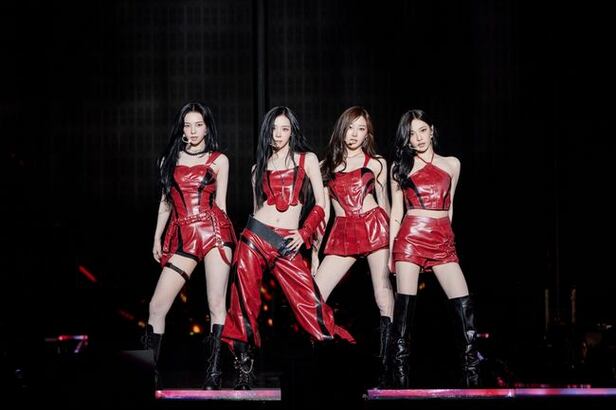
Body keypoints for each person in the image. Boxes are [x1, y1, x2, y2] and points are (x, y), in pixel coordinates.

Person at [221, 106, 355, 390]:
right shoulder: (258, 168)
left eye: (284, 128)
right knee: (243, 303)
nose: (278, 134)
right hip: (255, 236)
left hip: (288, 241)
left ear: (292, 131)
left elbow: (321, 205)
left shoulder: (307, 159)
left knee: (309, 302)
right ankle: (244, 370)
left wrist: (304, 233)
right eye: (273, 129)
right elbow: (256, 207)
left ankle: (337, 367)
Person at [143, 102, 236, 390]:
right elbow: (165, 203)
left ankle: (214, 373)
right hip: (184, 234)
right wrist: (157, 236)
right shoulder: (168, 160)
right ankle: (149, 375)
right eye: (187, 125)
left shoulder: (219, 160)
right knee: (157, 305)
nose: (193, 130)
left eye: (198, 124)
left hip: (214, 231)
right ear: (181, 129)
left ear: (207, 127)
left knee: (216, 303)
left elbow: (221, 205)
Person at [389, 109, 481, 388]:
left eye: (422, 131)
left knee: (463, 304)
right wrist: (392, 253)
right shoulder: (399, 167)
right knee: (404, 310)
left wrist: (447, 239)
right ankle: (399, 376)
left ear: (431, 130)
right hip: (410, 237)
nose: (418, 138)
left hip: (442, 240)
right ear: (406, 139)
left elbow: (449, 205)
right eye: (411, 134)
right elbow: (396, 213)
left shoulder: (452, 164)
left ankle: (472, 373)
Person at [312, 106, 394, 388]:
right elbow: (323, 213)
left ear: (367, 133)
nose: (354, 134)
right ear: (341, 129)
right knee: (314, 295)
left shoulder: (377, 163)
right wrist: (314, 254)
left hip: (374, 226)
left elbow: (386, 206)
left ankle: (386, 365)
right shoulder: (325, 166)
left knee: (382, 293)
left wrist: (394, 248)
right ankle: (326, 357)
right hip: (343, 231)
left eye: (361, 129)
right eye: (350, 127)